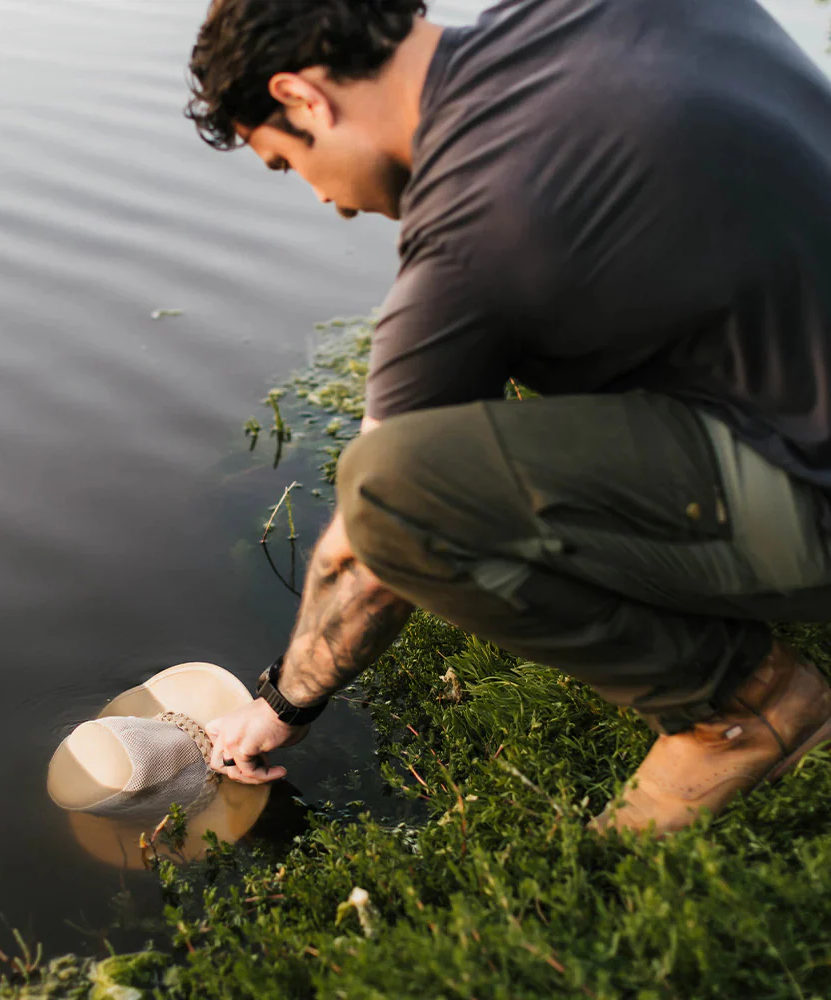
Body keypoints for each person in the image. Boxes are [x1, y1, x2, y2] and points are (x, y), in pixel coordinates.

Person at [186, 0, 831, 834]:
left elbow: (364, 552)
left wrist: (282, 703)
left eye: (287, 165)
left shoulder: (474, 223)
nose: (326, 201)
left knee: (394, 490)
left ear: (305, 98)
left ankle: (743, 709)